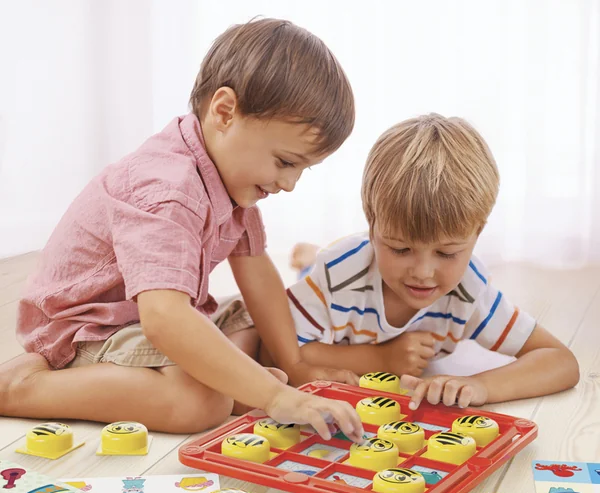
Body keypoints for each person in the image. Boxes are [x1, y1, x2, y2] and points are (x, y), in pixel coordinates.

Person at [0, 18, 364, 441]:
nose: (289, 183)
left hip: (154, 319)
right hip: (91, 329)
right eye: (285, 162)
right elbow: (164, 318)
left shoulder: (232, 179)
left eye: (302, 169)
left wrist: (294, 365)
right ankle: (23, 387)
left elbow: (257, 274)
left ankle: (231, 383)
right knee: (200, 403)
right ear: (224, 112)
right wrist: (275, 395)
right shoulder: (167, 188)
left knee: (268, 318)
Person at [276, 114, 579, 409]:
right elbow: (279, 351)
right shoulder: (336, 273)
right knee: (317, 267)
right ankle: (309, 258)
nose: (423, 273)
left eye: (446, 253)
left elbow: (560, 361)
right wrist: (381, 359)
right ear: (371, 224)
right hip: (336, 270)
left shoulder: (470, 288)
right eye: (400, 249)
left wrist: (481, 385)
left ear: (477, 233)